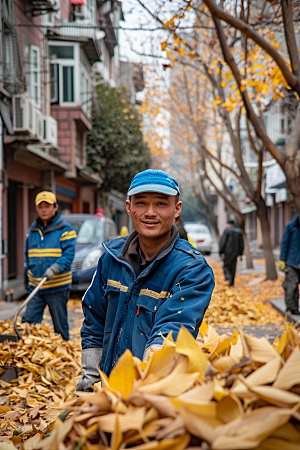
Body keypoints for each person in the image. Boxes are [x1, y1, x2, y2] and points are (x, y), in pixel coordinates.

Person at [77, 169, 215, 391]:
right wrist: (90, 381)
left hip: (158, 393)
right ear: (129, 207)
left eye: (161, 204)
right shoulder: (110, 260)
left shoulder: (192, 269)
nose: (150, 212)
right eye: (141, 203)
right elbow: (94, 324)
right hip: (109, 393)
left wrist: (144, 392)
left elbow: (172, 331)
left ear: (177, 209)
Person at [22, 191, 77, 341]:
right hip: (36, 288)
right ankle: (28, 353)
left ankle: (65, 355)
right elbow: (28, 255)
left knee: (60, 328)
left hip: (57, 288)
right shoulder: (32, 231)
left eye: (47, 206)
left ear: (55, 207)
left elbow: (68, 256)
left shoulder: (66, 230)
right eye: (40, 206)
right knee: (27, 324)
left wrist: (55, 268)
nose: (44, 209)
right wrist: (28, 271)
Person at [279, 215, 300, 315]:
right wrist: (282, 260)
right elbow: (284, 243)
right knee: (291, 286)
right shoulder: (291, 226)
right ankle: (292, 307)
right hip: (292, 262)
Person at [219, 219, 244, 287]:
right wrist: (241, 253)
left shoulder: (227, 230)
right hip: (236, 252)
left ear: (228, 224)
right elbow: (241, 243)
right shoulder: (239, 231)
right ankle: (232, 282)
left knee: (226, 266)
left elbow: (223, 242)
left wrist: (220, 251)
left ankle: (227, 279)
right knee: (233, 267)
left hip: (227, 252)